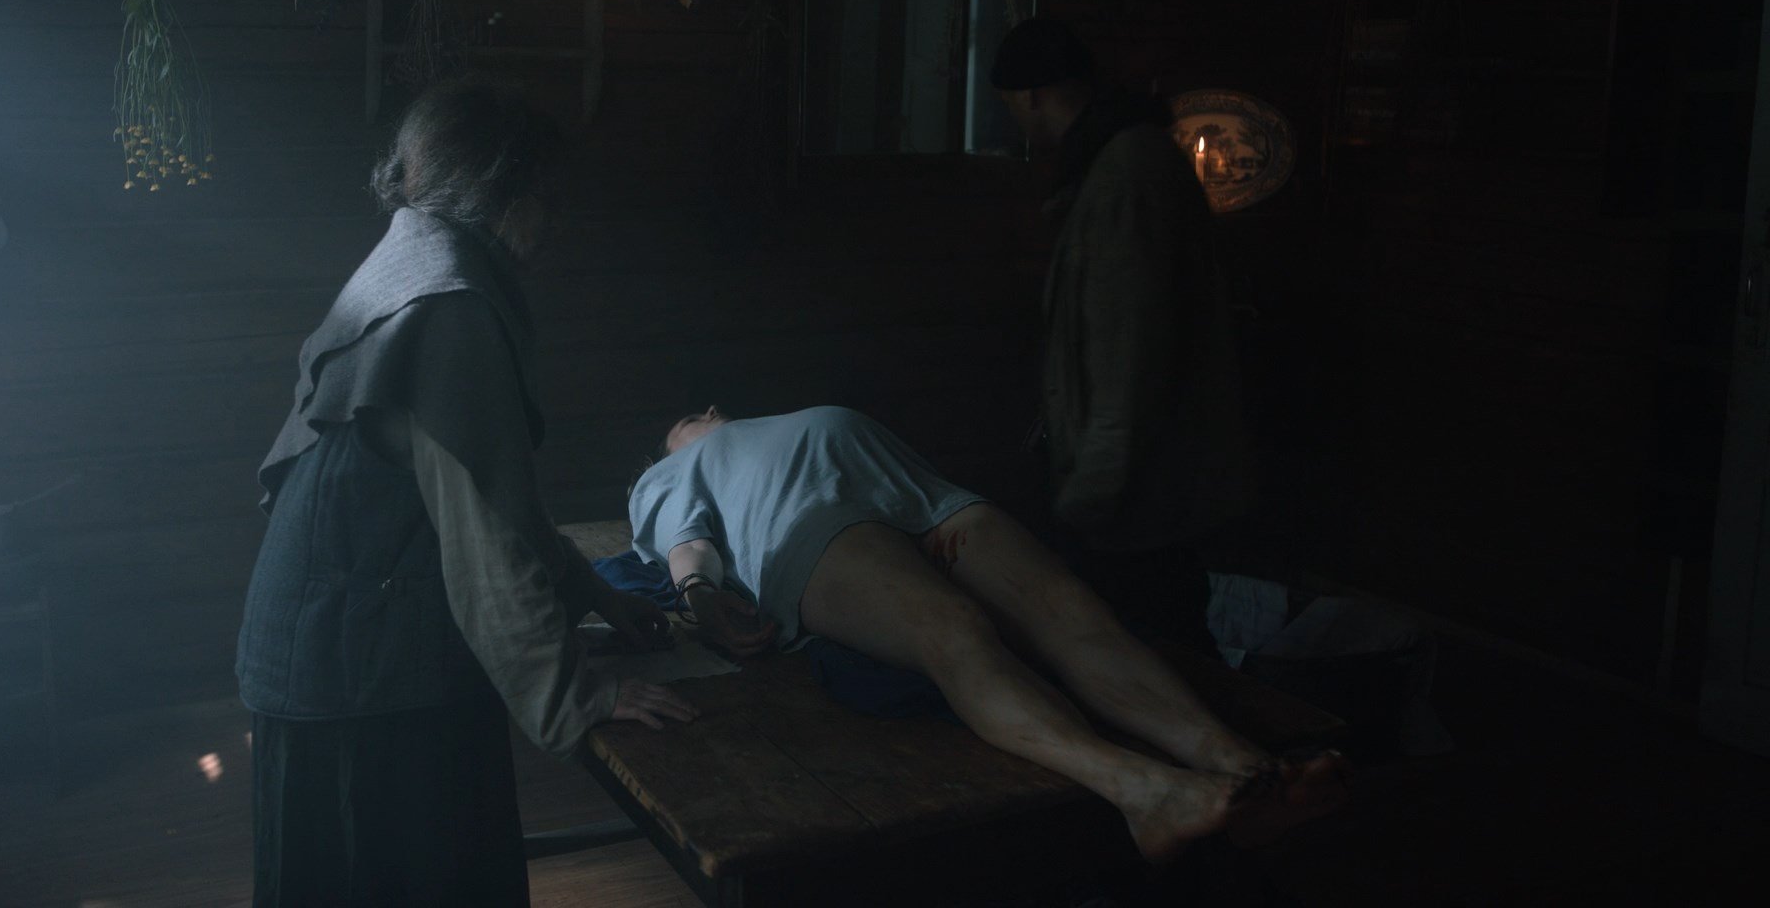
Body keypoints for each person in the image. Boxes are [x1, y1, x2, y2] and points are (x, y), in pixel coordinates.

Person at [236, 79, 698, 906]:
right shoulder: (449, 306)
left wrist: (594, 594)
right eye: (545, 196)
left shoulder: (411, 262)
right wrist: (576, 697)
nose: (554, 220)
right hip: (360, 682)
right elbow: (487, 538)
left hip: (336, 653)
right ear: (500, 194)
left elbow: (491, 501)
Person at [629, 404, 1345, 863]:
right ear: (667, 452)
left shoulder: (783, 421)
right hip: (808, 525)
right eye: (686, 419)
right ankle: (1143, 793)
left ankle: (1245, 768)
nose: (706, 413)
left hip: (922, 498)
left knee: (1072, 611)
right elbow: (688, 546)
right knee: (953, 627)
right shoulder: (668, 475)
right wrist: (700, 595)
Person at [993, 18, 1257, 654]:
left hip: (1140, 495)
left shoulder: (1126, 173)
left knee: (1152, 642)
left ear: (1032, 96)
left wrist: (1090, 494)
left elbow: (1129, 352)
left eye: (1010, 106)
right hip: (1140, 485)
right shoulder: (1116, 162)